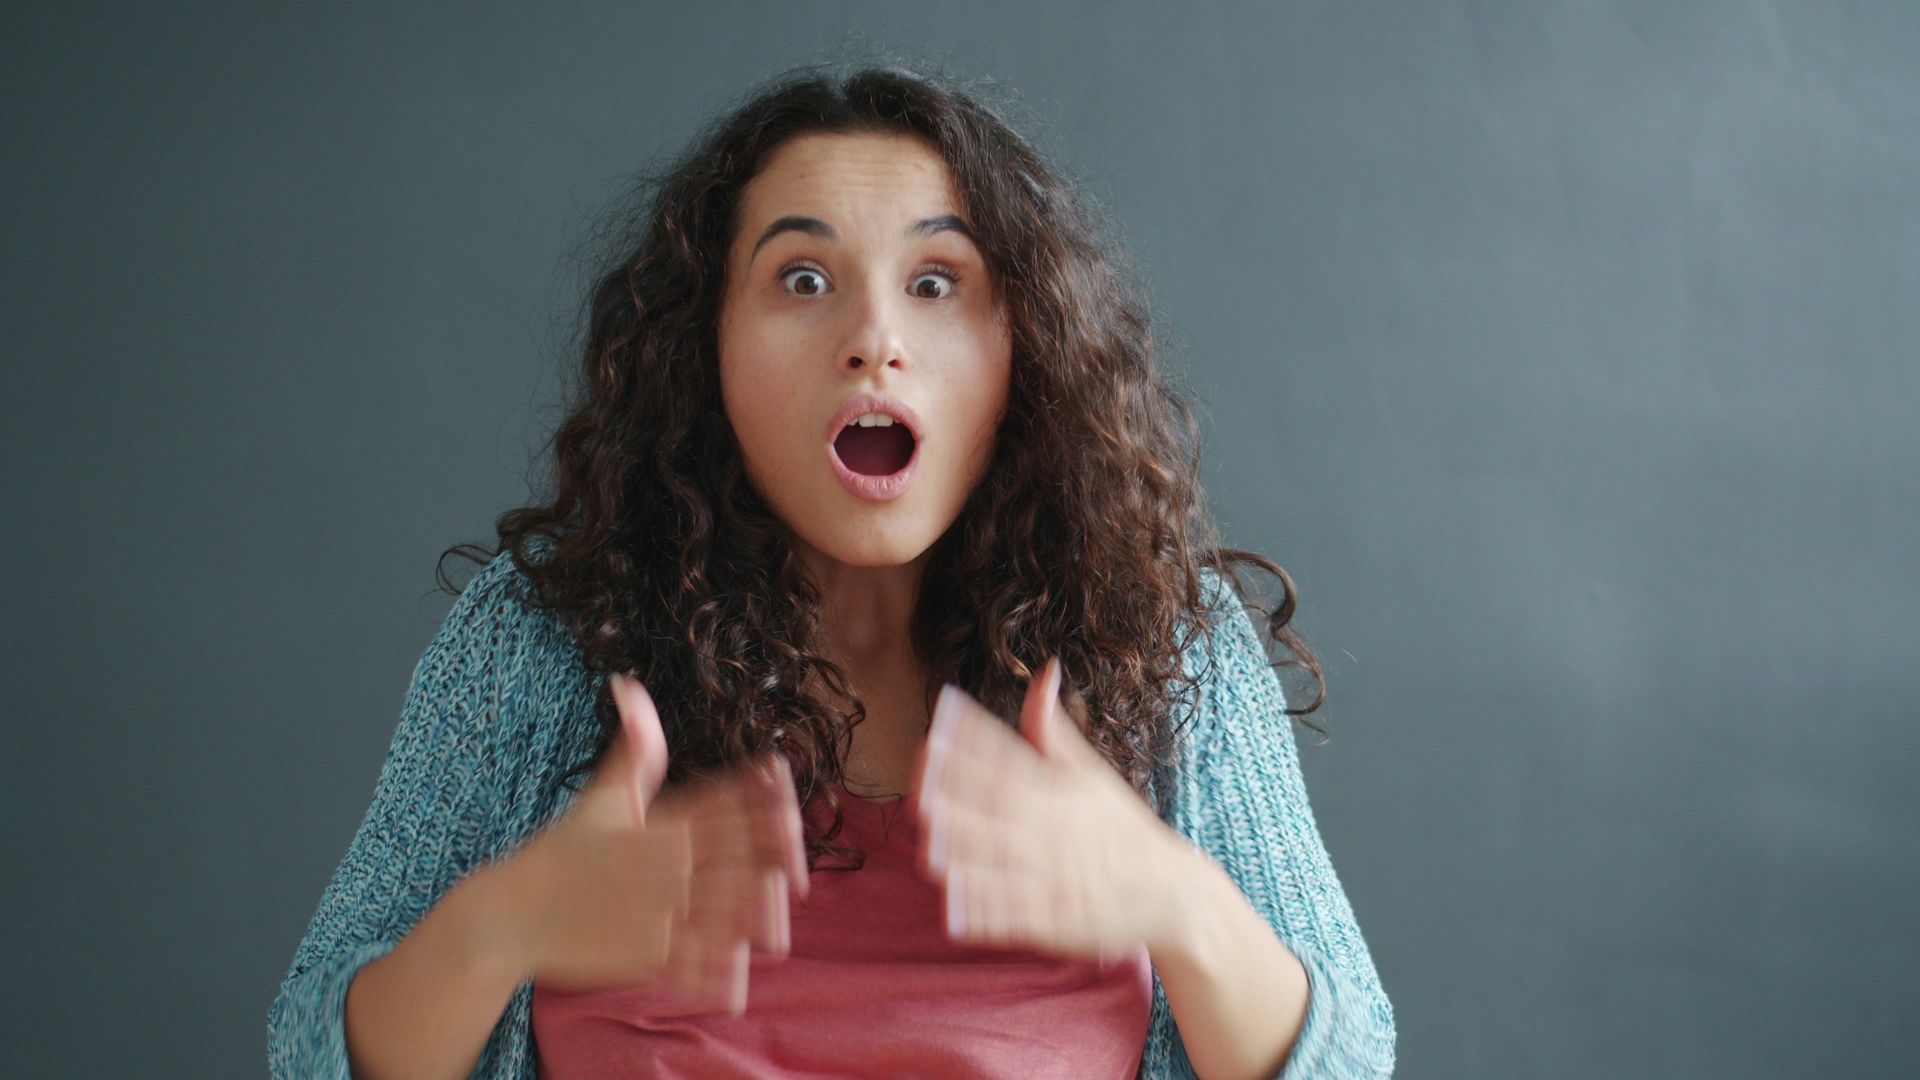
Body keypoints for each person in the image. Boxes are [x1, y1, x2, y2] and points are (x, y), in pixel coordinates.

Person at [267, 55, 1395, 1080]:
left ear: (1027, 348)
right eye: (802, 279)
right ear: (704, 350)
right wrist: (509, 917)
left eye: (937, 281)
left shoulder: (1161, 635)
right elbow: (310, 1048)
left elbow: (1349, 1056)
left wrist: (1167, 895)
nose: (873, 337)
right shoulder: (544, 634)